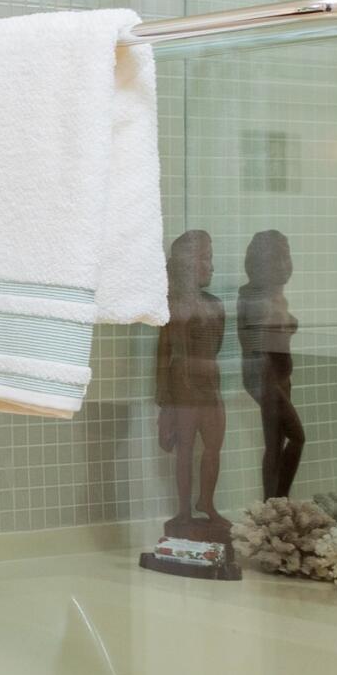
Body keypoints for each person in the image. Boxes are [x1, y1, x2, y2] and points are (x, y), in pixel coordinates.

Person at [153, 229, 228, 536]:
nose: (212, 267)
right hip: (183, 384)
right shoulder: (173, 305)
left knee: (214, 445)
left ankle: (206, 502)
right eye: (206, 259)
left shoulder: (215, 305)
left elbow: (216, 346)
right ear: (188, 264)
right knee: (184, 448)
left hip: (210, 383)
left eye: (210, 258)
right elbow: (163, 352)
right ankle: (183, 510)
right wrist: (164, 399)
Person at [237, 229, 304, 501]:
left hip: (280, 376)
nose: (286, 265)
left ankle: (274, 504)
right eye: (278, 258)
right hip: (264, 376)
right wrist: (266, 384)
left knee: (275, 443)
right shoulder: (256, 298)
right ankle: (278, 502)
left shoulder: (276, 295)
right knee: (297, 437)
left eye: (287, 257)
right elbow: (253, 347)